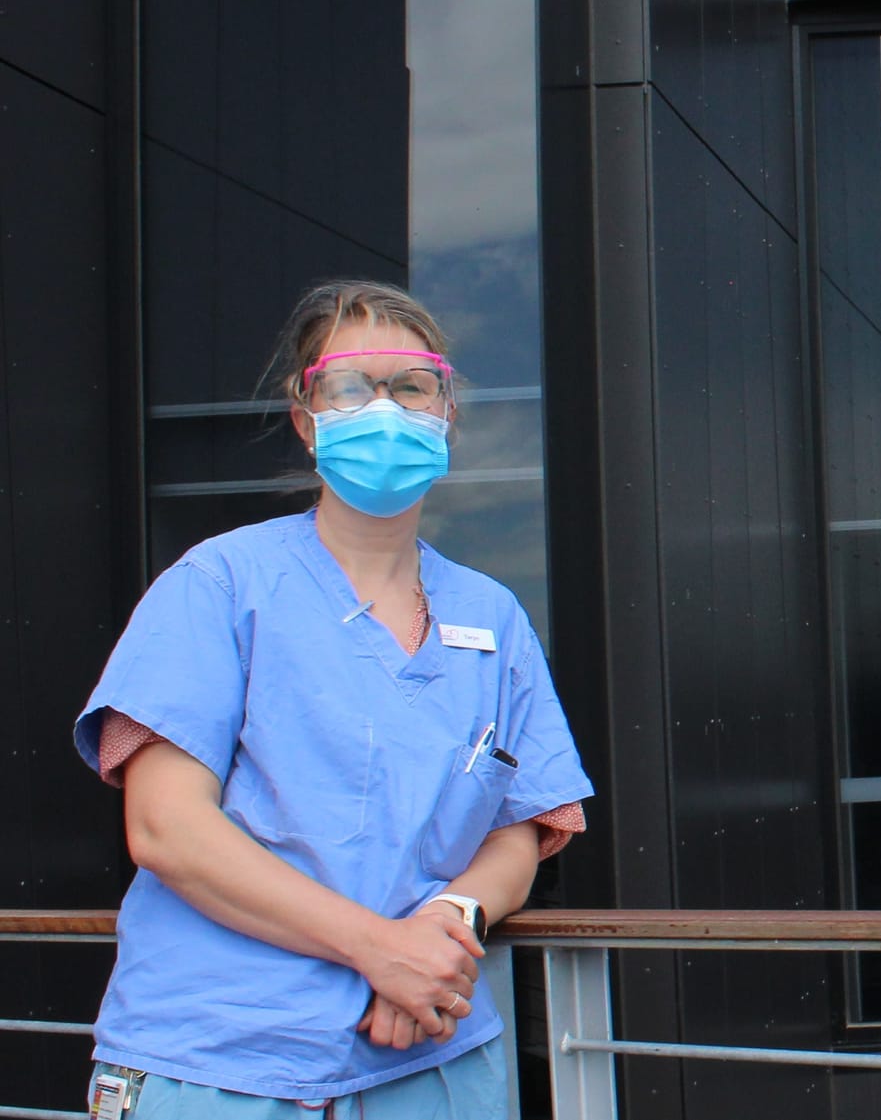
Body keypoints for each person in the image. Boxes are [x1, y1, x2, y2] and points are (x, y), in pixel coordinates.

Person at [73, 280, 593, 1116]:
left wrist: (448, 924)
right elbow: (165, 826)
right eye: (354, 385)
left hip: (433, 1056)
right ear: (307, 416)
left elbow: (525, 827)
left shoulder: (490, 615)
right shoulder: (219, 585)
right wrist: (380, 950)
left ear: (447, 413)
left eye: (411, 386)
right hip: (224, 1065)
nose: (385, 407)